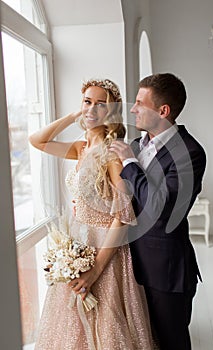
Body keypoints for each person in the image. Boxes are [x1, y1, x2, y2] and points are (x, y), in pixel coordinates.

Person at [29, 78, 157, 349]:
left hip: (104, 247)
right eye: (88, 101)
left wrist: (97, 268)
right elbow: (37, 140)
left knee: (106, 326)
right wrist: (77, 114)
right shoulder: (81, 148)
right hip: (78, 241)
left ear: (111, 111)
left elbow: (122, 216)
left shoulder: (111, 154)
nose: (92, 109)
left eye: (101, 105)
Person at [110, 73, 206, 350]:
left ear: (163, 111)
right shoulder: (137, 144)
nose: (132, 109)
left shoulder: (190, 152)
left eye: (140, 103)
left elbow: (161, 209)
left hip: (164, 271)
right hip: (128, 264)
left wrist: (129, 162)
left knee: (170, 343)